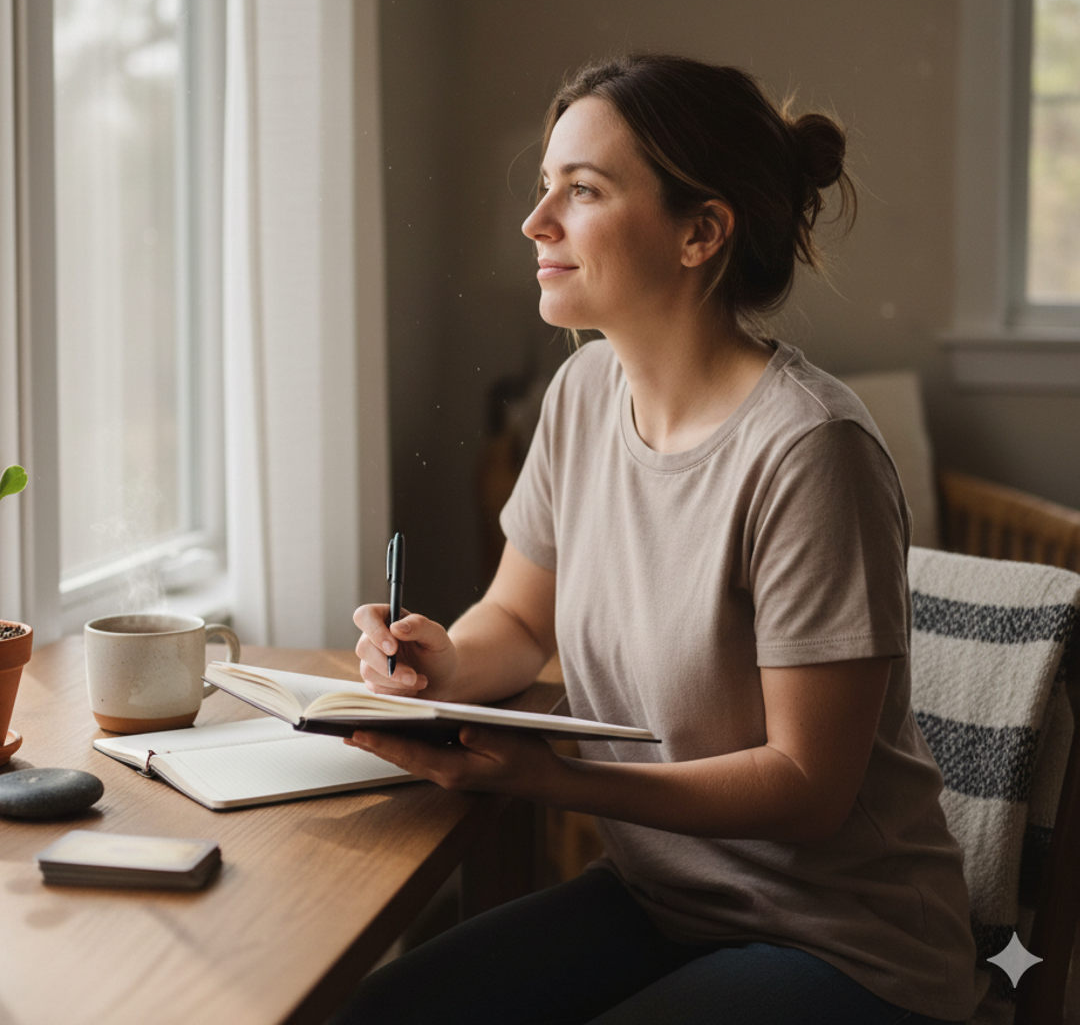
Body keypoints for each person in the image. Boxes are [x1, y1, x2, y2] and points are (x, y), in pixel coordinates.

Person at [333, 54, 977, 1024]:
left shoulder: (811, 451)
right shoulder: (584, 393)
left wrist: (554, 778)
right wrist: (444, 661)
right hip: (663, 902)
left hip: (843, 944)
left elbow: (809, 789)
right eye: (545, 186)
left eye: (582, 190)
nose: (535, 222)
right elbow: (518, 613)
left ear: (701, 233)